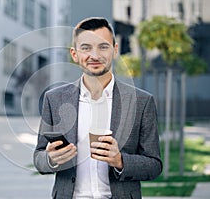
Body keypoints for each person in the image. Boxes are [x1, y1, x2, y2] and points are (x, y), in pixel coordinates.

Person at [33, 17, 162, 199]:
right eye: (86, 48)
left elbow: (154, 165)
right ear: (74, 54)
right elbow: (39, 157)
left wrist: (120, 161)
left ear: (115, 51)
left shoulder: (141, 101)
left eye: (103, 47)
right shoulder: (54, 99)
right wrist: (51, 160)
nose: (94, 55)